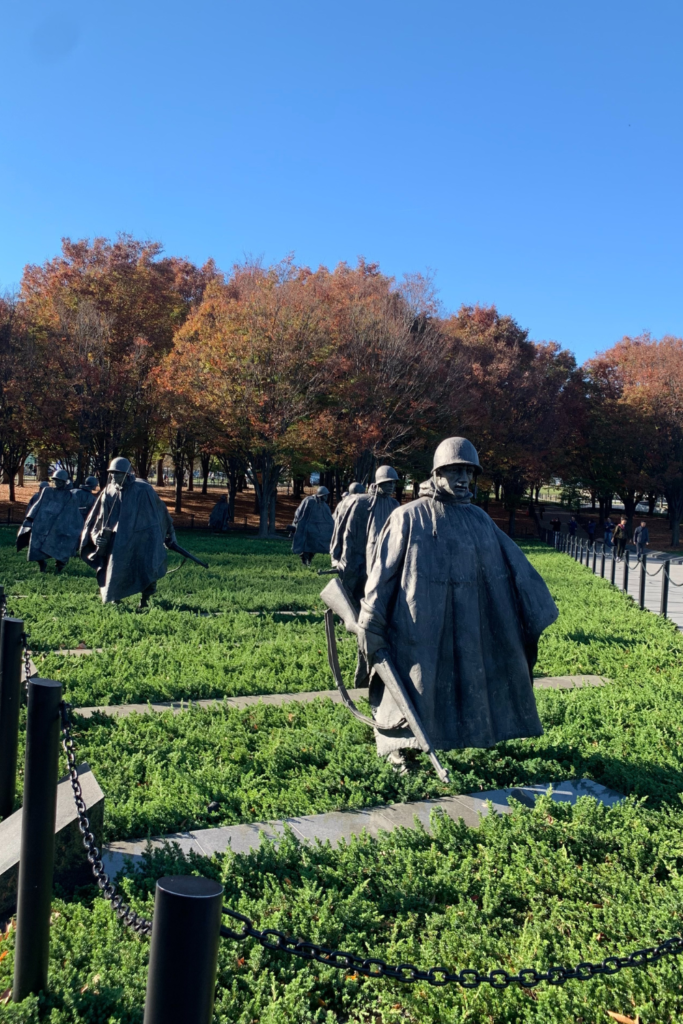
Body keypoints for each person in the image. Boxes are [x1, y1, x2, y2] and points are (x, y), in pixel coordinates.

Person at [355, 437, 558, 771]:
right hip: (417, 625)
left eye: (468, 472)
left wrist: (531, 606)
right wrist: (370, 620)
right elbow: (382, 576)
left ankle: (468, 735)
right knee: (413, 683)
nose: (463, 479)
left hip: (469, 622)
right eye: (454, 471)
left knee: (467, 680)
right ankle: (398, 747)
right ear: (436, 474)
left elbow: (514, 567)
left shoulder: (479, 520)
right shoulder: (409, 517)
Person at [80, 456, 176, 610]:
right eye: (112, 473)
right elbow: (98, 519)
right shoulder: (108, 492)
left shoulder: (143, 490)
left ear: (127, 473)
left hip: (143, 539)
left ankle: (145, 600)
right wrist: (96, 536)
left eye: (118, 473)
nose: (114, 476)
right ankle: (114, 597)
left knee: (147, 568)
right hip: (117, 540)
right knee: (115, 568)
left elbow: (161, 513)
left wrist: (171, 533)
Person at [335, 467, 399, 607]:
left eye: (393, 483)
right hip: (361, 550)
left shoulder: (395, 505)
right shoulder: (362, 502)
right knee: (354, 581)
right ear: (379, 483)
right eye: (388, 483)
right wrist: (339, 555)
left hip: (386, 550)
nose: (392, 486)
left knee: (379, 583)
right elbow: (348, 531)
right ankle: (349, 612)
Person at [16, 469, 83, 573]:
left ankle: (59, 566)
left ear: (65, 482)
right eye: (55, 480)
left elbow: (73, 514)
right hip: (43, 524)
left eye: (60, 481)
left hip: (59, 526)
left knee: (60, 547)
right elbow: (37, 505)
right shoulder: (47, 491)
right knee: (35, 545)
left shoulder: (70, 496)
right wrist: (29, 518)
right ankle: (42, 563)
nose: (57, 483)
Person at [290, 486, 334, 567]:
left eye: (327, 495)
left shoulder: (324, 505)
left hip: (316, 530)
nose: (326, 497)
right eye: (325, 495)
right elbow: (299, 512)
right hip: (307, 529)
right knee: (305, 546)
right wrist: (296, 523)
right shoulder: (309, 501)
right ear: (320, 495)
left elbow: (328, 518)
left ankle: (309, 560)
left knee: (314, 547)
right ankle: (304, 561)